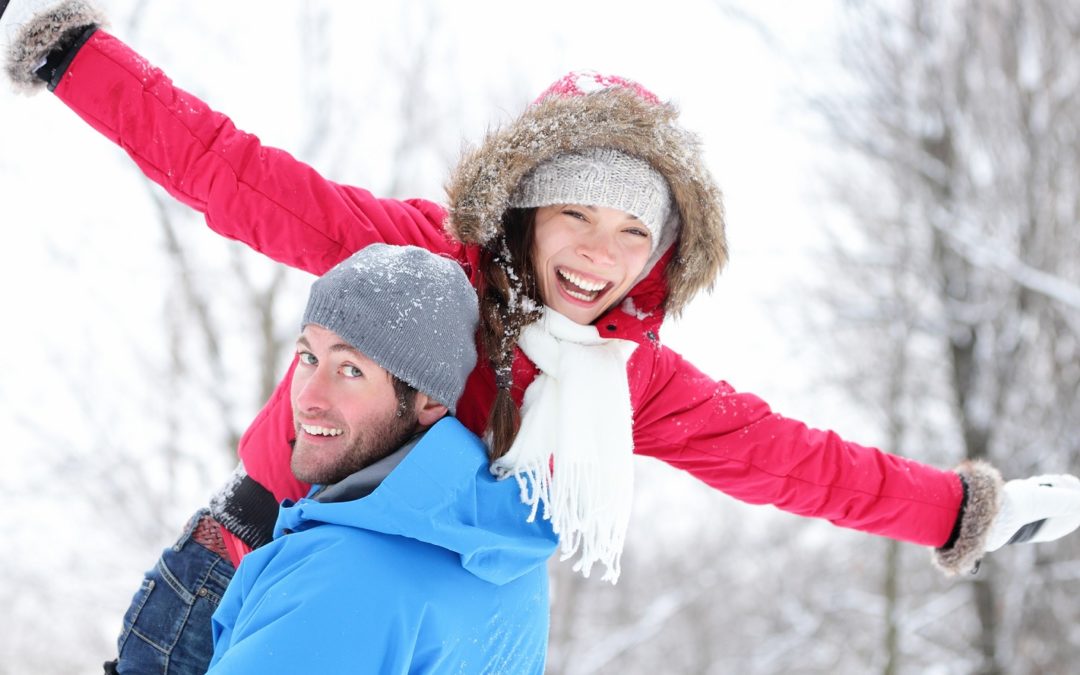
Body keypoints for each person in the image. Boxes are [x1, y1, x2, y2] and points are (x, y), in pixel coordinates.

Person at [4, 1, 1080, 673]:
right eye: (575, 214)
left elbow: (791, 463)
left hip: (428, 627)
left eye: (632, 234)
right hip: (253, 571)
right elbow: (241, 181)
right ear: (521, 206)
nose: (597, 256)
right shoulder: (427, 261)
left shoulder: (631, 383)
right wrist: (81, 61)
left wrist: (956, 511)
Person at [205, 242, 556, 672]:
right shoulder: (508, 554)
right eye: (309, 357)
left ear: (427, 402)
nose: (308, 398)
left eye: (351, 370)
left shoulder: (335, 580)